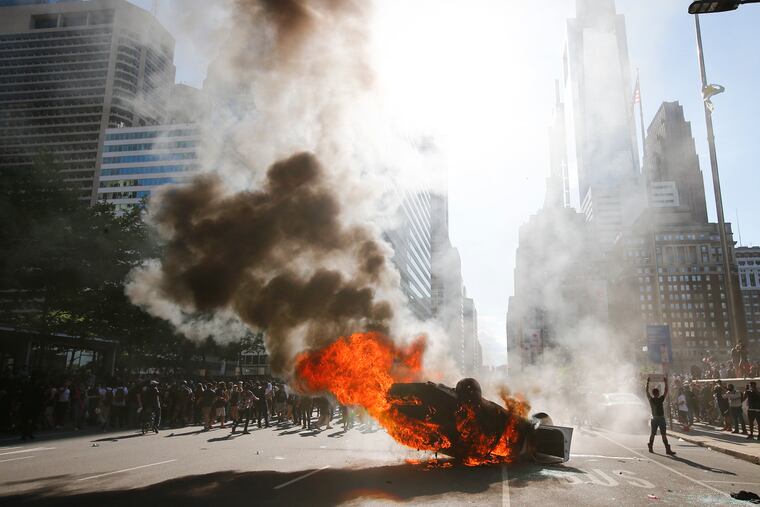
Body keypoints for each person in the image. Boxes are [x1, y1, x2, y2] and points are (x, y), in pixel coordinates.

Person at [645, 375, 676, 456]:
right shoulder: (660, 399)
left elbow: (646, 392)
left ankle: (650, 446)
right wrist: (666, 382)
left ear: (653, 393)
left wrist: (647, 382)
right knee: (663, 434)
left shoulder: (651, 400)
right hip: (661, 419)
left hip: (654, 418)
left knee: (652, 434)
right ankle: (667, 449)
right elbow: (666, 391)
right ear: (658, 393)